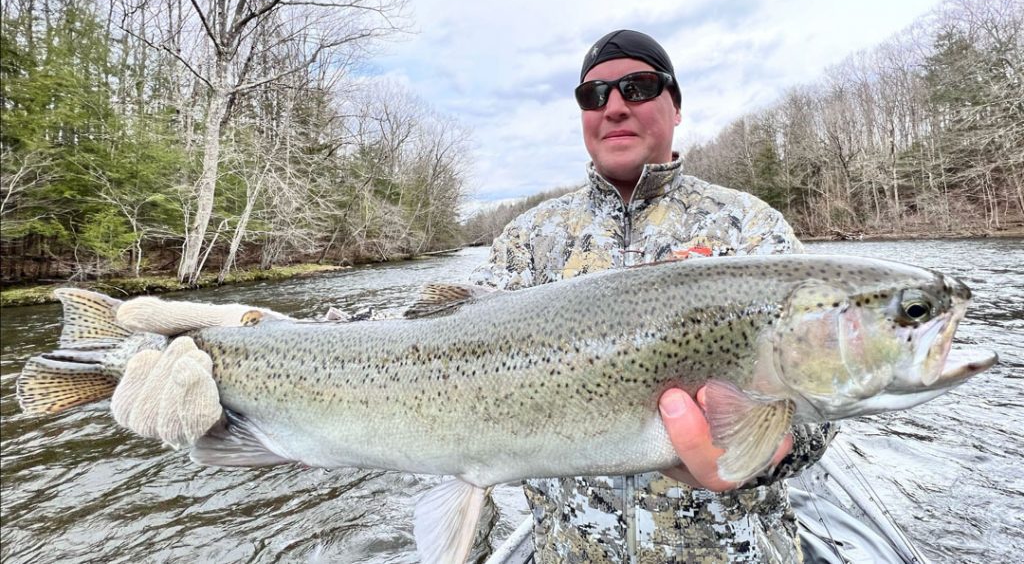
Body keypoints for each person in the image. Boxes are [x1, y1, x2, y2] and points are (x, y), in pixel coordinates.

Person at [109, 30, 835, 563]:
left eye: (638, 87)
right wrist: (255, 332)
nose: (614, 105)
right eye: (594, 94)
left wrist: (770, 452)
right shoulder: (529, 239)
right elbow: (413, 347)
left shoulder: (751, 231)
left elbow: (821, 410)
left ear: (675, 104)